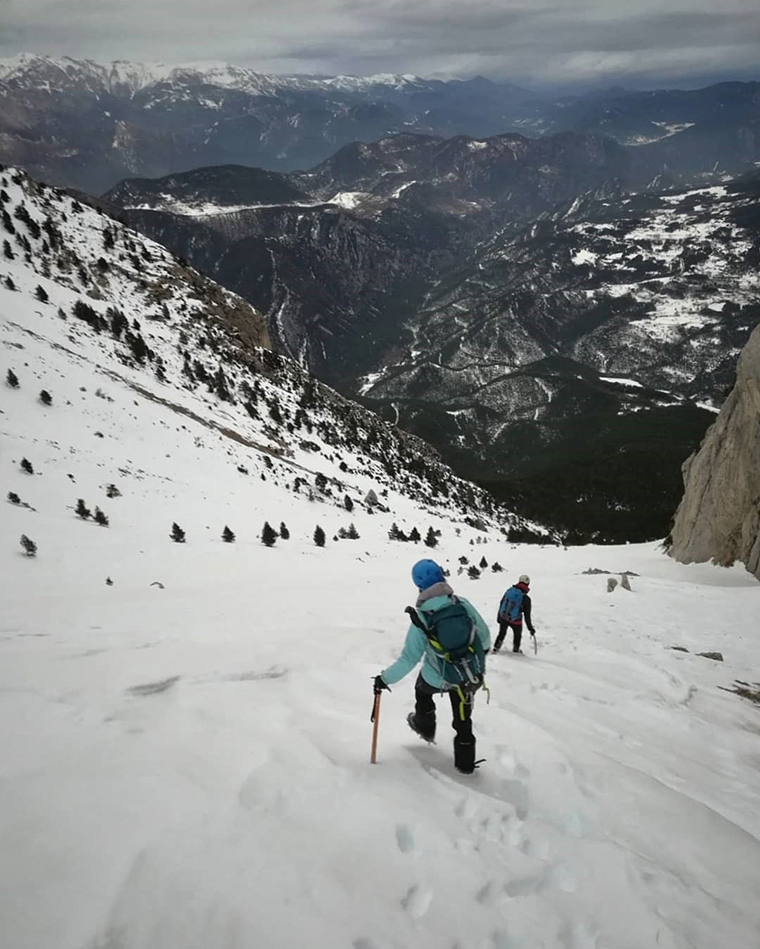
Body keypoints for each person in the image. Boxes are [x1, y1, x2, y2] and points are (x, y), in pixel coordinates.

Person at [373, 559, 491, 774]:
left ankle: (425, 727)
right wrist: (470, 663)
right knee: (463, 716)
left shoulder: (421, 617)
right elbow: (484, 639)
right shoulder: (461, 604)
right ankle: (465, 764)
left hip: (435, 677)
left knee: (422, 691)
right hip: (467, 676)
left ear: (419, 586)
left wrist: (384, 679)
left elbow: (409, 659)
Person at [494, 574, 535, 654]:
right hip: (516, 621)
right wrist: (531, 629)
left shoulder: (509, 591)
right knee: (517, 635)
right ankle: (516, 650)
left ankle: (496, 647)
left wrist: (499, 617)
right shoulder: (526, 599)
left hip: (504, 617)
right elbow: (527, 616)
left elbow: (502, 603)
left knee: (502, 633)